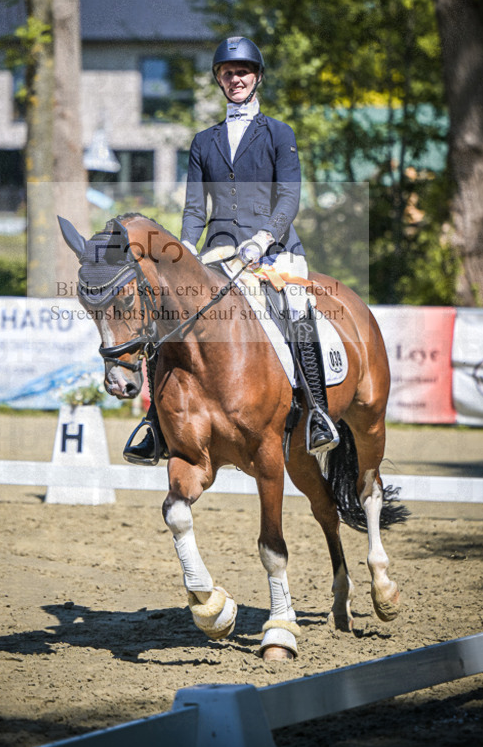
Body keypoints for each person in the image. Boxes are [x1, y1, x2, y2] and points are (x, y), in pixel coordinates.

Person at [124, 36, 338, 464]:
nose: (235, 78)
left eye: (242, 72)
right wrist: (183, 248)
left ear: (256, 77)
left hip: (273, 250)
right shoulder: (205, 140)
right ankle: (155, 425)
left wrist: (264, 237)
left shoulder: (279, 133)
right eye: (228, 72)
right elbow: (193, 206)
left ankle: (317, 414)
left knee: (296, 306)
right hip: (219, 253)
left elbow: (290, 197)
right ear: (220, 80)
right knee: (167, 314)